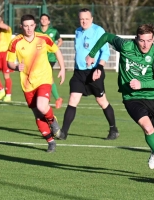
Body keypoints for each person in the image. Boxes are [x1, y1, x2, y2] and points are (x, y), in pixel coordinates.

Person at [86, 24, 154, 169]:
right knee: (148, 128)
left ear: (153, 39)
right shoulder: (126, 46)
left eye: (149, 41)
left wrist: (141, 84)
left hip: (152, 97)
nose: (145, 45)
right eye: (142, 40)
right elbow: (106, 36)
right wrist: (92, 54)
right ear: (136, 38)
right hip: (131, 98)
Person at [57, 8, 119, 140]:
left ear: (91, 19)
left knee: (101, 101)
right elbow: (78, 52)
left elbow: (105, 52)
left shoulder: (98, 31)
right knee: (73, 100)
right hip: (79, 73)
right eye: (81, 19)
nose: (83, 21)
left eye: (86, 19)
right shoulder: (77, 32)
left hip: (94, 72)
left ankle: (113, 129)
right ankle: (64, 132)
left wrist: (100, 68)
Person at [6, 14, 65, 153]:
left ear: (35, 25)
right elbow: (9, 62)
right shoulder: (15, 42)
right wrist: (15, 67)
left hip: (44, 78)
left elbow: (57, 51)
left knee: (42, 105)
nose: (29, 28)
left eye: (31, 25)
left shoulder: (43, 38)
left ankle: (53, 122)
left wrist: (62, 68)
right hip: (27, 84)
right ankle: (50, 142)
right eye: (25, 26)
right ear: (21, 26)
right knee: (38, 114)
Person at [36, 13, 64, 109]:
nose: (43, 20)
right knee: (43, 77)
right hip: (39, 58)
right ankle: (47, 96)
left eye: (45, 19)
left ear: (49, 21)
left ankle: (57, 98)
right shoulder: (36, 31)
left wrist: (55, 48)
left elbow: (60, 40)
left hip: (50, 58)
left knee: (48, 77)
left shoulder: (53, 31)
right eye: (42, 19)